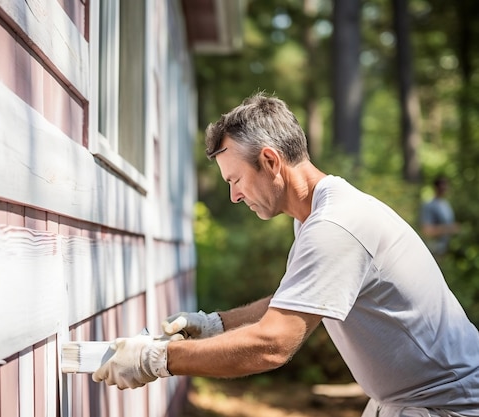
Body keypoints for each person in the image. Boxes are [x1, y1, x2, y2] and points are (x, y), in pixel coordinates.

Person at [92, 93, 479, 416]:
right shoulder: (316, 215)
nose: (234, 195)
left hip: (449, 407)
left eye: (236, 179)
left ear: (271, 161)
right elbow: (290, 303)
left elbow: (271, 345)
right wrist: (215, 324)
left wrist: (157, 360)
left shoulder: (334, 226)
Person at [420, 175, 459, 256]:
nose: (444, 189)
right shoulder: (429, 205)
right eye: (442, 186)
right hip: (433, 251)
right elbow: (426, 230)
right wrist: (449, 229)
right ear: (436, 187)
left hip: (445, 250)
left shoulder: (446, 204)